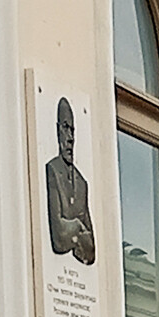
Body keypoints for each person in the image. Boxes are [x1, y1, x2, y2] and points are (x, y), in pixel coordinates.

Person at [46, 96, 96, 265]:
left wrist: (70, 228)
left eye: (72, 131)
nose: (70, 138)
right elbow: (59, 238)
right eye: (65, 128)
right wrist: (78, 226)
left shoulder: (82, 183)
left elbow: (90, 252)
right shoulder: (53, 170)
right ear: (57, 130)